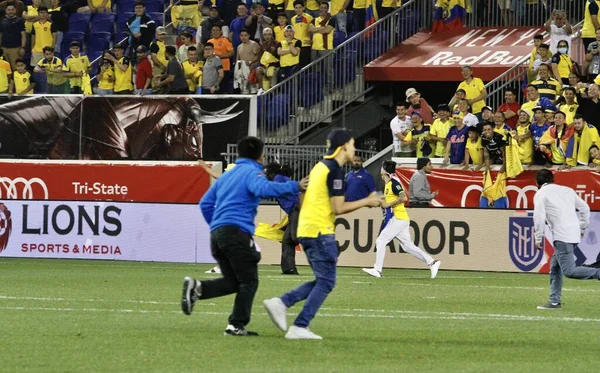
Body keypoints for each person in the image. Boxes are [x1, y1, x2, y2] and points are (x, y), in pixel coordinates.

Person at [181, 136, 307, 336]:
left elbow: (205, 203)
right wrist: (295, 186)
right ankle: (236, 325)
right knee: (249, 281)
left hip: (217, 235)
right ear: (259, 155)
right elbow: (265, 188)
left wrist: (217, 226)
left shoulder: (228, 176)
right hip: (236, 233)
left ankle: (198, 289)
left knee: (234, 282)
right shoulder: (252, 172)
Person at [263, 129, 382, 340]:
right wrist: (368, 201)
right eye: (353, 144)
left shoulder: (320, 166)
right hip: (319, 231)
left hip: (308, 229)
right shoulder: (334, 170)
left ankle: (282, 304)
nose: (354, 149)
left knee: (323, 280)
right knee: (326, 281)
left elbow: (305, 194)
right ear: (343, 146)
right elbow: (338, 207)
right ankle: (298, 323)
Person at [533, 169, 600, 310]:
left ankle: (598, 273)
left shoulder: (541, 194)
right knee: (555, 267)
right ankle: (554, 301)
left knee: (569, 271)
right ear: (552, 179)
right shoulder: (567, 190)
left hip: (562, 235)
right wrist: (582, 227)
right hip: (574, 233)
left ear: (537, 183)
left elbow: (539, 218)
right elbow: (585, 208)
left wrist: (538, 237)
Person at [362, 160, 441, 279]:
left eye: (382, 168)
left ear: (384, 171)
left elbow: (404, 198)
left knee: (381, 241)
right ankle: (432, 262)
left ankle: (377, 270)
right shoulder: (388, 185)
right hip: (400, 219)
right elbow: (388, 200)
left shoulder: (394, 183)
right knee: (407, 246)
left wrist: (390, 204)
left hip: (398, 218)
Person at [264, 162, 302, 275]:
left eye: (266, 173)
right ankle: (289, 269)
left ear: (272, 174)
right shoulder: (282, 178)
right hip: (294, 211)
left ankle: (328, 246)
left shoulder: (278, 179)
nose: (265, 176)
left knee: (295, 238)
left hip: (297, 209)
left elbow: (268, 192)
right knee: (287, 240)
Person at [208, 24, 234, 93]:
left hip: (224, 68)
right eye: (213, 30)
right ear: (211, 32)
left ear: (221, 31)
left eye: (217, 30)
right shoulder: (209, 42)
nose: (215, 32)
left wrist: (219, 57)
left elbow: (232, 53)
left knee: (223, 88)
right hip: (212, 68)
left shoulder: (225, 40)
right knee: (213, 88)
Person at [0, 2, 26, 70]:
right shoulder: (2, 21)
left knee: (16, 68)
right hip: (4, 49)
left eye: (12, 9)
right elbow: (1, 34)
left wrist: (22, 47)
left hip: (15, 49)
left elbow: (23, 35)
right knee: (5, 69)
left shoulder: (20, 21)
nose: (10, 11)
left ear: (15, 10)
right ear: (6, 10)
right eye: (9, 10)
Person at [290, 0, 312, 68]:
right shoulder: (292, 19)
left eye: (300, 7)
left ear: (303, 8)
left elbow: (313, 30)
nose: (298, 9)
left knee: (305, 67)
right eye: (296, 8)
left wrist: (311, 40)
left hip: (306, 45)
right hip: (296, 46)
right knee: (297, 66)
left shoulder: (309, 17)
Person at [149, 26, 168, 93]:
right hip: (158, 69)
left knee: (164, 87)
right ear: (156, 34)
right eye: (160, 34)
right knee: (157, 87)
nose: (162, 36)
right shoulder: (154, 44)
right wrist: (161, 66)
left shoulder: (162, 43)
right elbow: (153, 57)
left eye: (163, 34)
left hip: (164, 69)